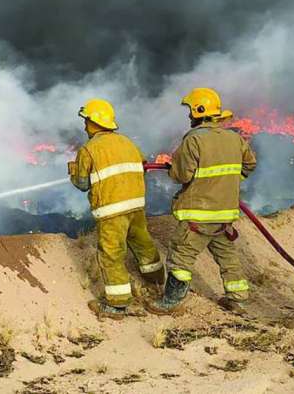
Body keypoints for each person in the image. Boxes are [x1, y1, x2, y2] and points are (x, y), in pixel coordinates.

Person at [146, 87, 256, 316]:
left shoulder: (194, 139)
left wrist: (172, 167)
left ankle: (172, 302)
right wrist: (228, 183)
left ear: (199, 111)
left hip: (199, 213)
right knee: (227, 255)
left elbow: (182, 175)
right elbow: (249, 165)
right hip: (224, 213)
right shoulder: (234, 138)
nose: (189, 115)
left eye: (190, 110)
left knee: (181, 255)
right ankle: (239, 299)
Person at [69, 98, 164, 320]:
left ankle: (117, 304)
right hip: (136, 205)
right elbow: (142, 166)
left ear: (94, 122)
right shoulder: (127, 142)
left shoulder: (89, 150)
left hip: (111, 210)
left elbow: (82, 184)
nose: (84, 126)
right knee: (143, 243)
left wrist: (73, 171)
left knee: (111, 254)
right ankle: (157, 282)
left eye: (86, 121)